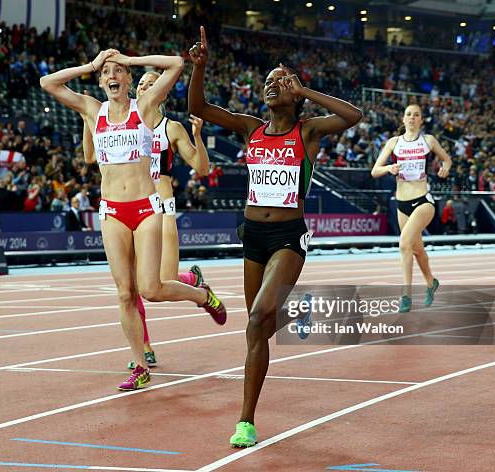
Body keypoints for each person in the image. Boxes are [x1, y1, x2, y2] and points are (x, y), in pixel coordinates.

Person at [188, 27, 363, 447]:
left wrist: (307, 90)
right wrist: (199, 68)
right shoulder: (251, 128)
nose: (270, 85)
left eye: (279, 81)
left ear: (295, 93)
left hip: (288, 235)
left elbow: (352, 116)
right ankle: (290, 310)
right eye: (266, 81)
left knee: (254, 318)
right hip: (253, 235)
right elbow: (199, 106)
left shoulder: (308, 131)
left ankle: (245, 421)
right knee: (259, 329)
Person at [41, 48, 227, 391]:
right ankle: (140, 365)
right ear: (100, 80)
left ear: (127, 79)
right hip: (112, 211)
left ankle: (202, 297)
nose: (113, 76)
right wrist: (91, 64)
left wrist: (129, 60)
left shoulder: (144, 108)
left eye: (118, 72)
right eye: (106, 73)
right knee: (125, 294)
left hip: (146, 207)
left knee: (151, 288)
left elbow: (176, 64)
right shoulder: (92, 110)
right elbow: (48, 82)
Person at [81, 71, 212, 369]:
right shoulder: (117, 122)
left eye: (151, 85)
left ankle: (192, 281)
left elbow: (201, 168)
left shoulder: (170, 128)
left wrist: (197, 137)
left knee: (159, 283)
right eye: (140, 84)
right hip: (125, 205)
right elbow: (90, 156)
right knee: (133, 286)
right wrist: (87, 120)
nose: (144, 88)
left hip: (160, 206)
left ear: (162, 92)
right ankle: (145, 347)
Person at [371, 103, 452, 312]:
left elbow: (447, 159)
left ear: (421, 120)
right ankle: (431, 283)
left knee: (404, 244)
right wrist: (389, 167)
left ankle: (405, 295)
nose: (412, 118)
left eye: (417, 115)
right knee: (417, 249)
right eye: (409, 114)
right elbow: (375, 171)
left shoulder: (429, 140)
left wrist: (445, 168)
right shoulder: (394, 143)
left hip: (423, 200)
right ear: (403, 119)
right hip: (402, 203)